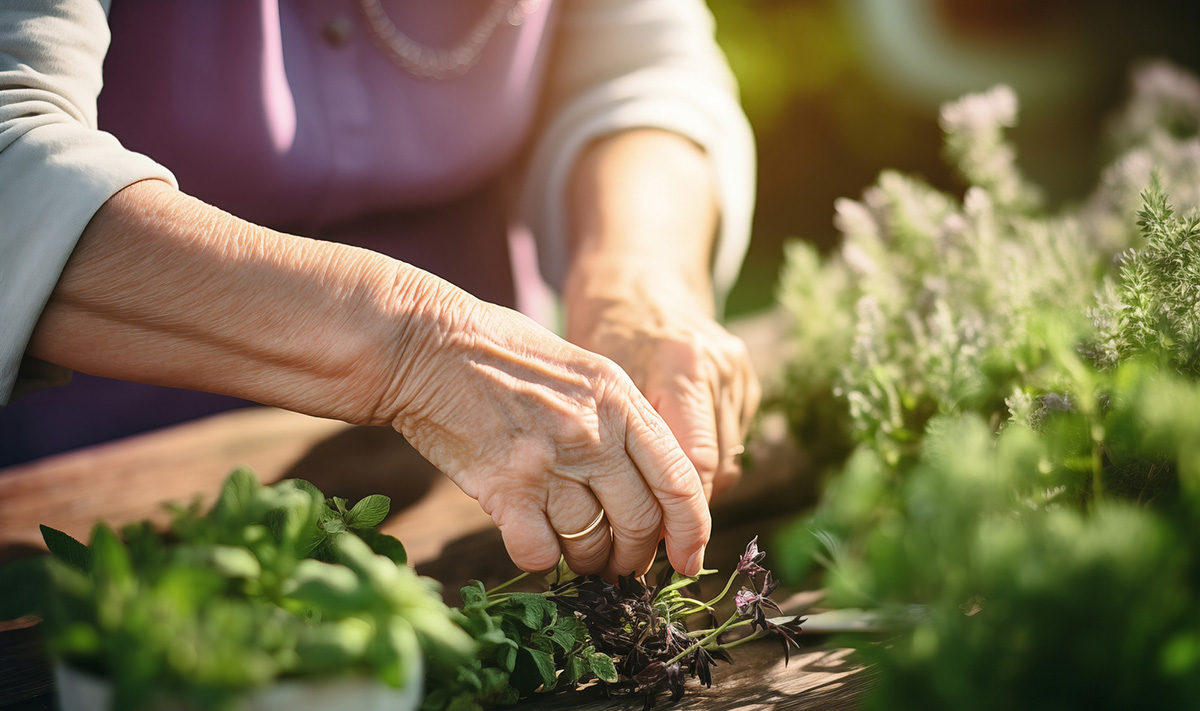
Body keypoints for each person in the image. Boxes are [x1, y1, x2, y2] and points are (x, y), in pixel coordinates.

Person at [0, 0, 759, 582]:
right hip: (94, 488)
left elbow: (638, 67)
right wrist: (416, 348)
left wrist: (634, 286)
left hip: (479, 469)